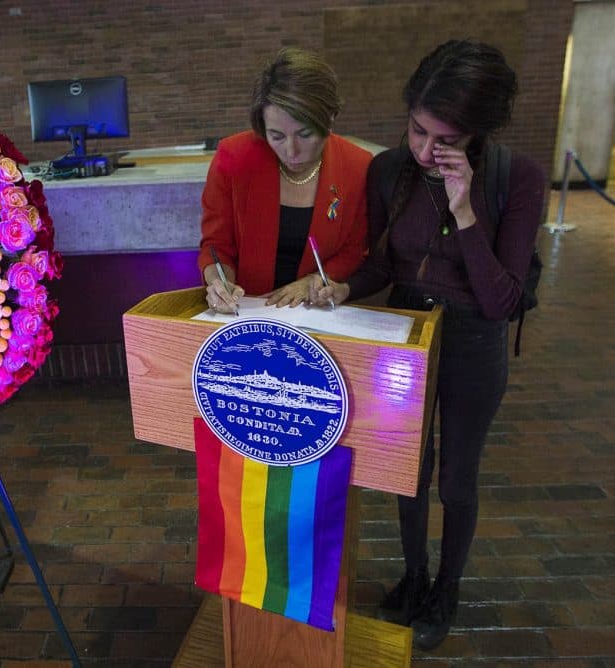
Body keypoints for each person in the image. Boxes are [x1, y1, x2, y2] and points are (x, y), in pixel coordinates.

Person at [309, 41, 545, 650]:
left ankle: (447, 587)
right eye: (417, 129)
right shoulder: (389, 170)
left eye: (444, 140)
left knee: (456, 480)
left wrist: (465, 209)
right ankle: (413, 577)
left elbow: (502, 300)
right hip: (405, 334)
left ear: (477, 134)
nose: (424, 150)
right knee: (404, 470)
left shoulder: (516, 178)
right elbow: (382, 265)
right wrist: (340, 286)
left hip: (473, 339)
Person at [199, 46, 372, 314]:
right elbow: (216, 246)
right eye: (277, 136)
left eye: (304, 134)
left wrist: (312, 282)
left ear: (330, 119)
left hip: (319, 314)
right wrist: (219, 283)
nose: (291, 151)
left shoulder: (358, 167)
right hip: (246, 312)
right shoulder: (232, 158)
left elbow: (355, 251)